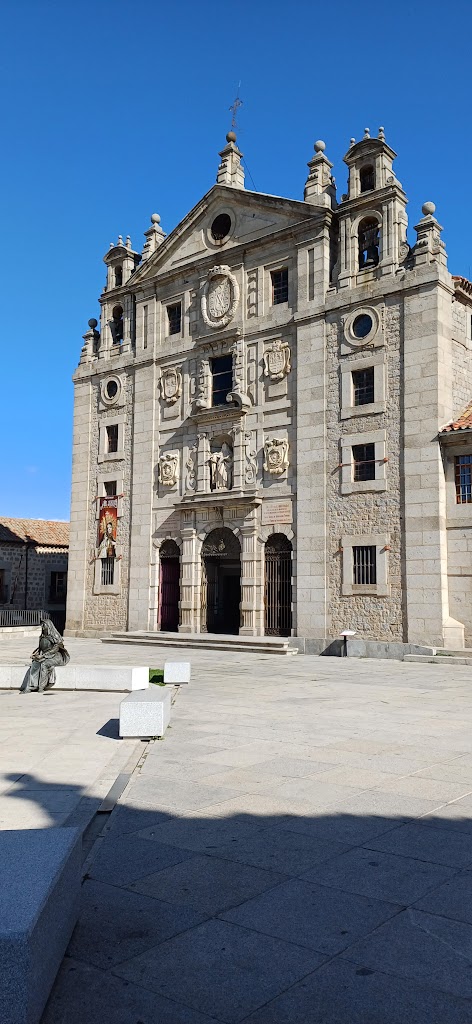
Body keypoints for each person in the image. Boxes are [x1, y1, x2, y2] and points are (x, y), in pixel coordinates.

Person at [20, 618, 70, 694]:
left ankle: (41, 687)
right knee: (35, 663)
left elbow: (55, 649)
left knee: (44, 664)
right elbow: (40, 648)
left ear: (48, 626)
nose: (42, 627)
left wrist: (43, 656)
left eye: (44, 625)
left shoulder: (55, 636)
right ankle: (31, 686)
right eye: (42, 625)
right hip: (45, 655)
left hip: (56, 656)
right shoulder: (42, 636)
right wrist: (35, 654)